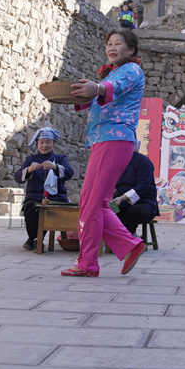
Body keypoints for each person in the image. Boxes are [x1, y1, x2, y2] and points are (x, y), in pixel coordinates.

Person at [63, 29, 147, 277]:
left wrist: (97, 87)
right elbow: (93, 97)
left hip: (114, 138)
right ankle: (131, 245)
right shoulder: (112, 73)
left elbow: (112, 88)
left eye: (118, 43)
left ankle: (88, 262)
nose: (112, 47)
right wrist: (77, 92)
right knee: (98, 203)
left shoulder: (131, 70)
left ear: (130, 50)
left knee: (89, 203)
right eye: (109, 43)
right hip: (104, 141)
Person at [14, 127, 74, 251]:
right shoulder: (31, 160)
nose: (44, 145)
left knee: (47, 210)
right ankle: (35, 239)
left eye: (48, 142)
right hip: (34, 197)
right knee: (29, 207)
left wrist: (55, 167)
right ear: (37, 144)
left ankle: (34, 240)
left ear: (53, 144)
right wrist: (29, 169)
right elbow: (18, 177)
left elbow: (69, 173)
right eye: (41, 142)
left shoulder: (60, 158)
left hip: (56, 197)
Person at [112, 146, 159, 235]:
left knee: (133, 213)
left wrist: (122, 198)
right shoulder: (115, 162)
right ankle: (126, 239)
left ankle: (128, 239)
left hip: (145, 203)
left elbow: (143, 185)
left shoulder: (142, 161)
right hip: (121, 204)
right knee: (109, 214)